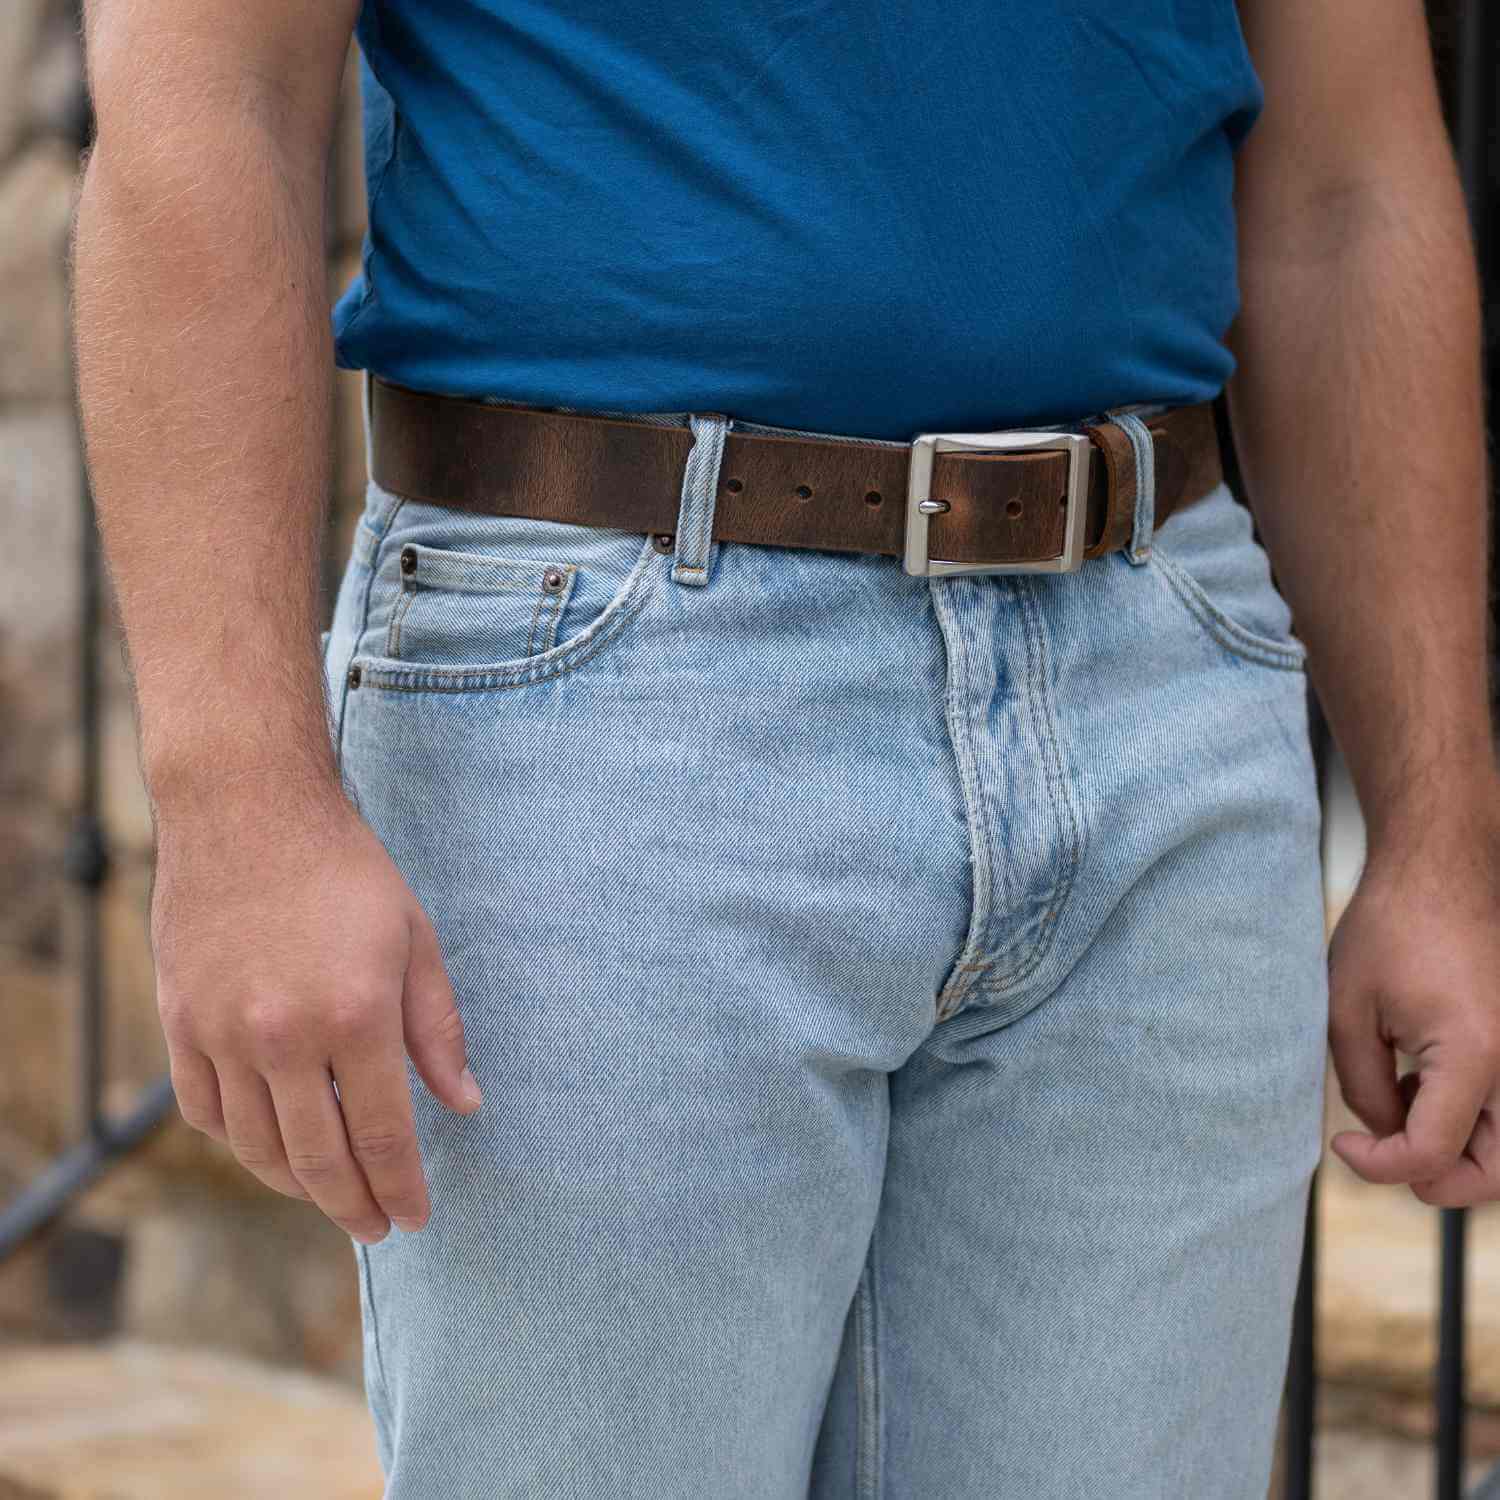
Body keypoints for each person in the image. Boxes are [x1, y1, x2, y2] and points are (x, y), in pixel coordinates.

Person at [71, 0, 1498, 1494]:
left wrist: (1436, 839)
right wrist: (238, 794)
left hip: (1161, 677)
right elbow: (206, 95)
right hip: (610, 686)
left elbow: (1351, 186)